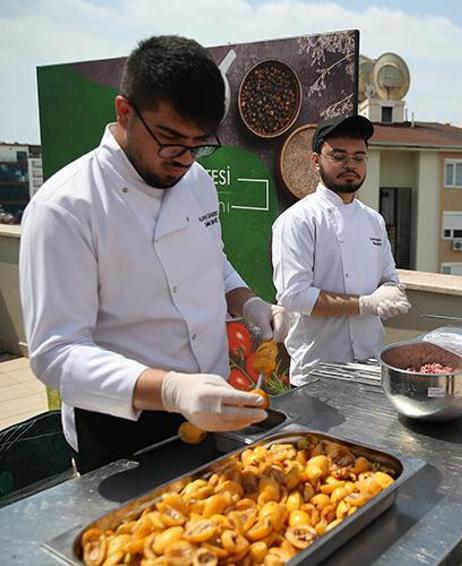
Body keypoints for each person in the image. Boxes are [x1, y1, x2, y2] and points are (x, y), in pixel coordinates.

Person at [20, 35, 286, 473]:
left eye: (198, 144)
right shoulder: (66, 208)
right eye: (170, 139)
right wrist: (172, 390)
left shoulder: (196, 181)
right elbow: (57, 353)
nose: (184, 159)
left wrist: (249, 303)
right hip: (120, 427)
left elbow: (210, 260)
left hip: (211, 407)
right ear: (124, 112)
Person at [271, 115, 410, 385]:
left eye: (359, 157)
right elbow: (294, 296)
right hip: (318, 370)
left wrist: (391, 291)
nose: (350, 165)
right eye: (339, 156)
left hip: (371, 364)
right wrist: (365, 304)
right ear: (315, 161)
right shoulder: (298, 220)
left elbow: (389, 279)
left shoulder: (374, 220)